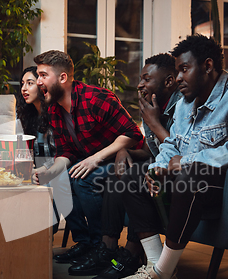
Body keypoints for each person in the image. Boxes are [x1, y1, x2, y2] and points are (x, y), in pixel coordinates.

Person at [112, 34, 228, 279]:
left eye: (184, 69)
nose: (177, 77)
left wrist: (186, 163)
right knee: (132, 177)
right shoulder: (184, 105)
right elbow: (174, 146)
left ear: (208, 66)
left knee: (188, 177)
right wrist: (156, 168)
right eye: (177, 70)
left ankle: (161, 275)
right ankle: (157, 270)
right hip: (193, 181)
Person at [67, 54, 182, 279]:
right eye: (141, 79)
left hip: (183, 174)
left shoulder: (183, 107)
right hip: (161, 167)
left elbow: (181, 153)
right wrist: (125, 151)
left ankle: (131, 254)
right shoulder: (153, 105)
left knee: (132, 177)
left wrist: (154, 123)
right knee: (115, 173)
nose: (140, 84)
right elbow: (152, 151)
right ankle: (108, 248)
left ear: (168, 81)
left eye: (146, 79)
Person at [32, 50, 144, 263]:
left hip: (125, 160)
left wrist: (95, 159)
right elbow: (67, 153)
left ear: (63, 78)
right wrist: (49, 172)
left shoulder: (96, 98)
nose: (38, 81)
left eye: (43, 75)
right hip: (92, 160)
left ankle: (101, 246)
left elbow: (132, 134)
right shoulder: (54, 109)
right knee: (59, 180)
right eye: (38, 75)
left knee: (83, 179)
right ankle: (84, 242)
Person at [16, 66, 64, 233]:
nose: (24, 88)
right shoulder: (24, 115)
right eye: (22, 83)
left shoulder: (56, 113)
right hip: (33, 171)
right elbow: (21, 151)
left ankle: (41, 240)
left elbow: (61, 153)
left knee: (48, 184)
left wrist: (41, 170)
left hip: (54, 168)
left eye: (30, 83)